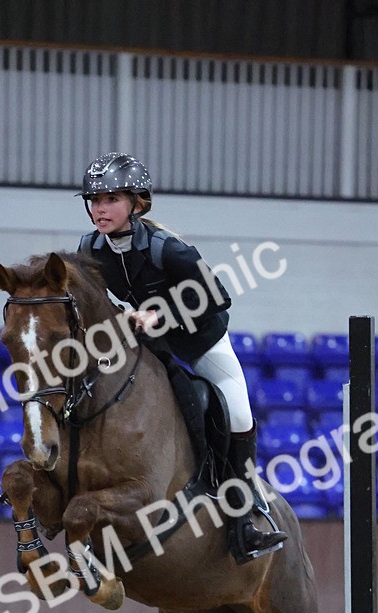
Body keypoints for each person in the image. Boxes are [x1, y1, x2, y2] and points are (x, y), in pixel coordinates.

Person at [77, 151, 286, 562]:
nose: (100, 209)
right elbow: (96, 302)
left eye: (112, 200)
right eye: (95, 200)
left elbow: (217, 297)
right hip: (152, 343)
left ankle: (244, 516)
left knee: (239, 412)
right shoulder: (90, 248)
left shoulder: (167, 249)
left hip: (200, 340)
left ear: (137, 203)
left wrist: (163, 312)